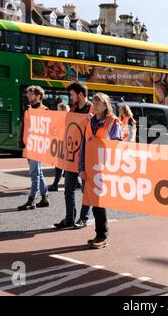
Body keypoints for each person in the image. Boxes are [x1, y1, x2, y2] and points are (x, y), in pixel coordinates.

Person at [78, 93, 123, 249]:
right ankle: (99, 234)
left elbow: (118, 146)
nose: (95, 105)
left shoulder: (112, 122)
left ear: (106, 105)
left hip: (104, 169)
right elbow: (83, 147)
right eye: (94, 102)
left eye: (99, 103)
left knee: (99, 202)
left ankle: (102, 235)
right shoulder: (89, 122)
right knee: (94, 201)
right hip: (90, 169)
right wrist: (81, 168)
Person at [54, 82, 94, 229]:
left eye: (72, 94)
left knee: (86, 190)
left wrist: (92, 120)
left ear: (80, 95)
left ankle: (83, 218)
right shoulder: (73, 109)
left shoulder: (92, 109)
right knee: (68, 189)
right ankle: (69, 218)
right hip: (72, 155)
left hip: (87, 156)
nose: (70, 97)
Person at [18, 86, 50, 211]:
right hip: (29, 146)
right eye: (28, 94)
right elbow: (25, 127)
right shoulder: (28, 110)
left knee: (34, 173)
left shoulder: (44, 110)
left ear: (38, 96)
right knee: (38, 172)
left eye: (31, 94)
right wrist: (22, 140)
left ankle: (32, 200)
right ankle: (45, 197)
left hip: (38, 146)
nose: (28, 96)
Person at [48, 103, 70, 192]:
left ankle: (55, 184)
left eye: (58, 109)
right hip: (66, 145)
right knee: (67, 166)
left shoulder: (61, 119)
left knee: (59, 166)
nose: (57, 111)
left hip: (62, 145)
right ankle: (76, 183)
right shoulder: (69, 118)